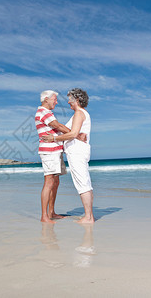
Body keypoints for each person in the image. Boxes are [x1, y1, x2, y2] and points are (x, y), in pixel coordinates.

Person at [42, 88, 94, 224]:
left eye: (70, 99)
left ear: (77, 99)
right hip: (76, 152)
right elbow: (74, 133)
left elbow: (72, 133)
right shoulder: (79, 114)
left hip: (77, 153)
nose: (68, 102)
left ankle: (89, 217)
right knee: (82, 182)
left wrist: (53, 139)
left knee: (83, 183)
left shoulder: (79, 113)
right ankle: (89, 216)